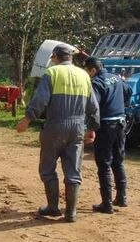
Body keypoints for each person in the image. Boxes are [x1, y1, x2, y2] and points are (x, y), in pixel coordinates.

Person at [16, 43, 98, 222]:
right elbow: (93, 106)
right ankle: (71, 213)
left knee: (48, 169)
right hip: (77, 128)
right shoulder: (84, 75)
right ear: (71, 58)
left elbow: (40, 100)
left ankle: (53, 207)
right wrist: (92, 128)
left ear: (55, 57)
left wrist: (27, 119)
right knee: (73, 171)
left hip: (54, 127)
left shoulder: (52, 73)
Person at [84, 56, 132, 214]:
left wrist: (90, 127)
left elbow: (93, 106)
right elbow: (129, 90)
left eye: (88, 71)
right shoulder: (116, 79)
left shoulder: (96, 83)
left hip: (105, 127)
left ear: (93, 69)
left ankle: (107, 204)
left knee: (104, 164)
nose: (88, 74)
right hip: (120, 124)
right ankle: (122, 198)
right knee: (118, 161)